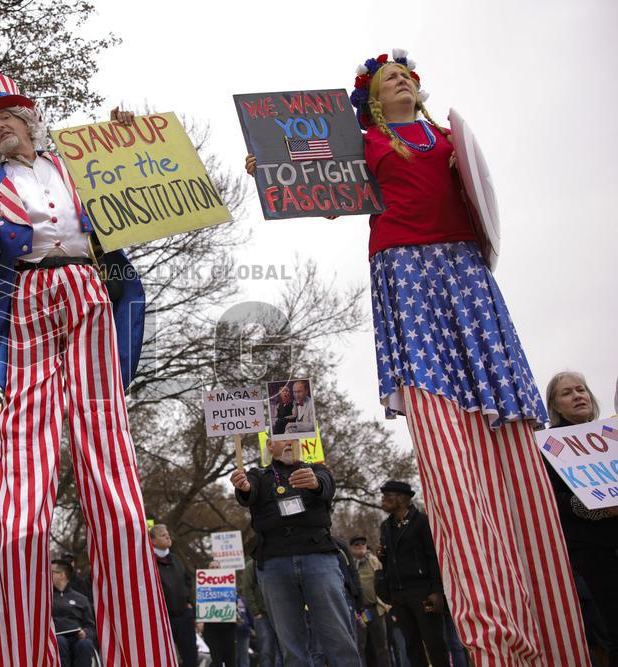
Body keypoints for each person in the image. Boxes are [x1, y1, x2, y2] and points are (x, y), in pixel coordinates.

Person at [248, 48, 588, 665]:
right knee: (443, 424)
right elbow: (325, 195)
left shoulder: (447, 135)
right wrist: (267, 170)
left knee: (504, 421)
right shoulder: (367, 141)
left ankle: (550, 632)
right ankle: (492, 637)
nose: (402, 80)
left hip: (463, 269)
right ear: (374, 96)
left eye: (407, 75)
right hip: (406, 269)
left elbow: (482, 195)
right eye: (389, 78)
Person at [0, 73, 177, 666]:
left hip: (88, 287)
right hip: (28, 295)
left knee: (106, 445)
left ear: (31, 121)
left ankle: (140, 651)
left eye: (9, 116)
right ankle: (30, 654)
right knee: (25, 471)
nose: (1, 126)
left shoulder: (79, 163)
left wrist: (130, 142)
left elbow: (134, 189)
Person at [229, 439, 360, 666]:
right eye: (283, 438)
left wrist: (315, 483)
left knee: (337, 635)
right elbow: (248, 491)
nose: (290, 442)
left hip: (318, 557)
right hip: (274, 562)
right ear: (270, 445)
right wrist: (244, 487)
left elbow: (326, 485)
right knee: (291, 644)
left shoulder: (317, 469)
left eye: (295, 437)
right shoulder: (259, 475)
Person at [544, 372, 618, 663]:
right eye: (567, 393)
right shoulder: (549, 446)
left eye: (581, 389)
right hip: (593, 552)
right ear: (556, 406)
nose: (577, 395)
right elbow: (557, 502)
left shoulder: (611, 436)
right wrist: (602, 507)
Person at [377, 481, 448, 667]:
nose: (383, 500)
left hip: (422, 591)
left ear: (402, 499)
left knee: (435, 643)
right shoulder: (386, 526)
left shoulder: (422, 522)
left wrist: (437, 590)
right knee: (411, 644)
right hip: (399, 595)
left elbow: (434, 557)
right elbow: (389, 561)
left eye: (387, 496)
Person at [150, 524, 197, 667]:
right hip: (163, 618)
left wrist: (189, 602)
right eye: (162, 535)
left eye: (167, 534)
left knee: (190, 655)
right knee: (165, 657)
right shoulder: (149, 563)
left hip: (184, 615)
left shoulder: (176, 559)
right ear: (153, 541)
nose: (167, 537)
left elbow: (187, 581)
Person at [348, 537, 390, 667]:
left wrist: (387, 604)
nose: (360, 546)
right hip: (359, 612)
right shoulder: (349, 565)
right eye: (356, 544)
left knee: (382, 646)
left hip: (376, 609)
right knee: (360, 647)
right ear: (351, 547)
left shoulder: (374, 561)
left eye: (362, 544)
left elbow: (384, 582)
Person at [51, 559, 98, 667]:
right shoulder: (46, 598)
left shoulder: (81, 599)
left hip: (77, 637)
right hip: (56, 637)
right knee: (60, 642)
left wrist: (86, 633)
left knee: (85, 644)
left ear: (62, 575)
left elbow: (91, 626)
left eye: (51, 572)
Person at [240, 558, 282, 667]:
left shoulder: (279, 560)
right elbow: (247, 588)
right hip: (263, 616)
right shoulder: (252, 564)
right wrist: (255, 611)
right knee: (266, 649)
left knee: (285, 649)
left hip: (281, 614)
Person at [201, 560, 236, 667]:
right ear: (208, 569)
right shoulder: (202, 587)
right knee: (217, 659)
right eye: (212, 567)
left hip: (228, 627)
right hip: (211, 629)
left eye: (217, 567)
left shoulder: (229, 585)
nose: (215, 569)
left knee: (231, 659)